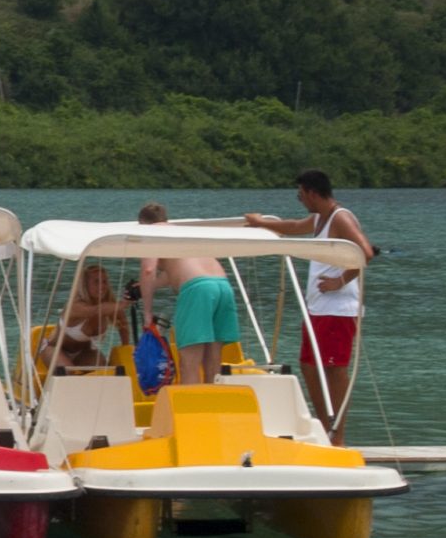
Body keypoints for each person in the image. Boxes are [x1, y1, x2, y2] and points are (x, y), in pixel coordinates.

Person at [241, 170, 372, 433]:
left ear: (312, 193)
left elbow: (365, 252)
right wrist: (261, 223)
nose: (299, 200)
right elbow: (292, 226)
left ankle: (337, 434)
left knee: (334, 370)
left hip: (338, 309)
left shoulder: (340, 217)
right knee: (309, 366)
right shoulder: (320, 219)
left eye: (300, 195)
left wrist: (340, 281)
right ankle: (324, 425)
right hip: (317, 308)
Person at [135, 200, 235, 387]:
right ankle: (212, 407)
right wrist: (147, 286)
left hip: (197, 289)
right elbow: (174, 272)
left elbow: (148, 270)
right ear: (165, 219)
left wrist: (147, 314)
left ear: (142, 223)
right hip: (223, 285)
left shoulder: (151, 233)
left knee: (189, 362)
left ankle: (193, 412)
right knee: (213, 360)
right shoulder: (184, 232)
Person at [52, 264, 128, 372]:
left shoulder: (111, 306)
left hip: (84, 352)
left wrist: (125, 349)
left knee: (103, 372)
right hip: (56, 349)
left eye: (104, 282)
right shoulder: (75, 306)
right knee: (69, 374)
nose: (102, 286)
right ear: (85, 285)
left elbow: (123, 325)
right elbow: (96, 311)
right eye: (96, 282)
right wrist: (123, 304)